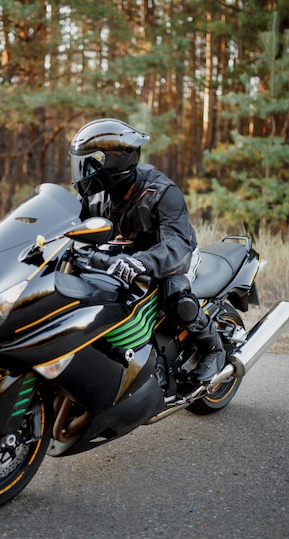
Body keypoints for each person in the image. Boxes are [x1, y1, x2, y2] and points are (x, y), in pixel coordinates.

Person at [69, 117, 225, 384]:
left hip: (170, 255)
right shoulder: (95, 193)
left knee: (175, 296)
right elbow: (67, 221)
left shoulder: (162, 192)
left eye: (92, 162)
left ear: (114, 163)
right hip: (121, 255)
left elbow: (176, 245)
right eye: (82, 163)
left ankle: (213, 348)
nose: (85, 171)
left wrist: (142, 262)